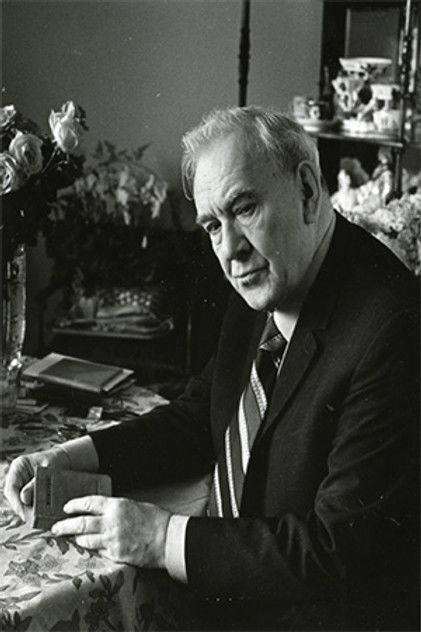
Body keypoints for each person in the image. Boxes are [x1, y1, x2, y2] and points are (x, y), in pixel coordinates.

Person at [5, 107, 419, 630]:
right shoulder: (273, 272)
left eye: (244, 208)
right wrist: (68, 459)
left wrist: (161, 538)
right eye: (211, 225)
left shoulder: (392, 327)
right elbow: (201, 417)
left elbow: (335, 550)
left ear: (308, 190)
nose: (229, 249)